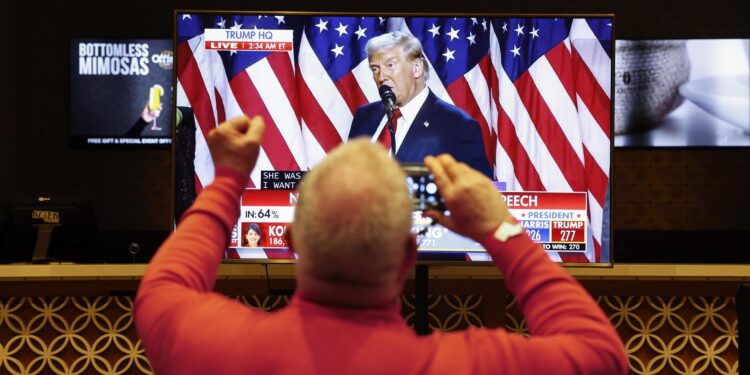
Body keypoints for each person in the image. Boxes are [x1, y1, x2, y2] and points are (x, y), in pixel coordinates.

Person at [135, 115, 628, 374]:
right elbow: (602, 355)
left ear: (291, 240)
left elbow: (164, 285)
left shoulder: (213, 350)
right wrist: (502, 229)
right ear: (407, 256)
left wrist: (227, 181)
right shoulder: (473, 365)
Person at [349, 31, 493, 178]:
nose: (381, 77)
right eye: (375, 69)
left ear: (416, 68)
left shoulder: (458, 126)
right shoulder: (364, 116)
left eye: (390, 65)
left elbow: (480, 191)